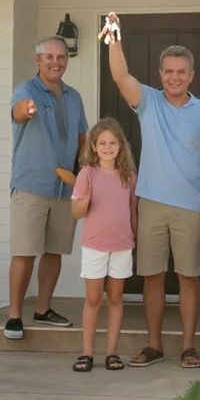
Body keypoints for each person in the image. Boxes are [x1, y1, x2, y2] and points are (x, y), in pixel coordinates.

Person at [104, 12, 200, 369]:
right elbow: (120, 75)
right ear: (160, 74)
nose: (174, 77)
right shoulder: (149, 102)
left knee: (189, 277)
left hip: (191, 206)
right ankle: (153, 345)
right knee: (152, 277)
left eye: (181, 71)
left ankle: (188, 347)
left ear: (191, 75)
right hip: (151, 203)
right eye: (169, 71)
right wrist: (114, 37)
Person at [5, 35, 88, 340]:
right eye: (50, 57)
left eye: (61, 57)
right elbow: (17, 112)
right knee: (25, 252)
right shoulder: (26, 90)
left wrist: (83, 172)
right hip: (31, 186)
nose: (56, 62)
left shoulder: (74, 96)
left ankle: (43, 309)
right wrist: (25, 110)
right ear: (38, 60)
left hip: (65, 189)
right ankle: (15, 316)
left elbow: (82, 137)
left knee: (54, 251)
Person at [70, 118, 139, 372]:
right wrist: (85, 201)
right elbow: (76, 212)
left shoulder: (129, 176)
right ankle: (87, 353)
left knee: (116, 298)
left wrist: (135, 237)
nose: (107, 147)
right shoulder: (87, 174)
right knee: (93, 298)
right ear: (94, 147)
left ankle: (112, 352)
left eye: (112, 143)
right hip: (94, 245)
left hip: (122, 245)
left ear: (120, 146)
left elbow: (132, 210)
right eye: (102, 143)